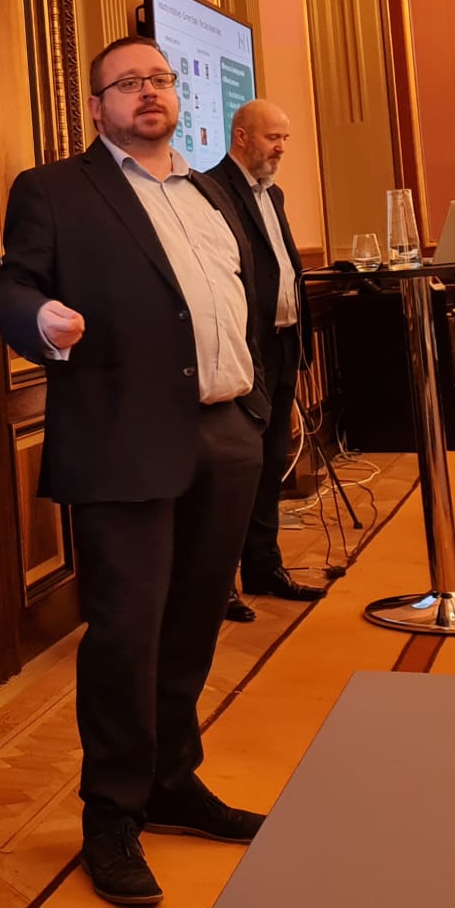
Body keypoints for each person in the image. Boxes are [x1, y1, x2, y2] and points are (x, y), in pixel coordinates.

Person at [0, 35, 269, 908]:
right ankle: (111, 816)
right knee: (126, 636)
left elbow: (235, 301)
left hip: (226, 433)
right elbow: (10, 288)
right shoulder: (55, 190)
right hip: (125, 440)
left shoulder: (210, 189)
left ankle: (172, 781)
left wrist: (255, 408)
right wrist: (43, 320)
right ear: (96, 106)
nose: (148, 93)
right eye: (127, 83)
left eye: (160, 79)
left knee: (193, 624)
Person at [208, 100, 325, 623]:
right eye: (273, 138)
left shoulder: (272, 193)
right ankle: (220, 586)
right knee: (238, 470)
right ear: (242, 136)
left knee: (272, 462)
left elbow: (284, 268)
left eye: (285, 139)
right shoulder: (211, 190)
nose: (281, 148)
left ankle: (263, 567)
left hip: (283, 344)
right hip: (246, 350)